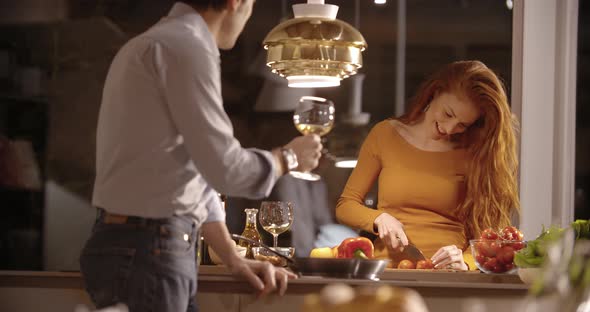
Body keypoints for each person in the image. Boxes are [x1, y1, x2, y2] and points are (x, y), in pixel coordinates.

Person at [80, 1, 322, 311]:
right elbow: (227, 170)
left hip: (138, 245)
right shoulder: (186, 47)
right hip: (149, 250)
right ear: (236, 2)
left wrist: (233, 257)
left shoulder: (161, 42)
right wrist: (288, 158)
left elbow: (193, 172)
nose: (249, 16)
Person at [336, 60, 519, 270]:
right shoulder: (385, 134)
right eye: (448, 114)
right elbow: (346, 205)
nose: (450, 129)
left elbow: (488, 236)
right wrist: (378, 218)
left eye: (462, 124)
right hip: (389, 271)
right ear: (435, 92)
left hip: (447, 276)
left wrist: (465, 263)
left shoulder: (475, 153)